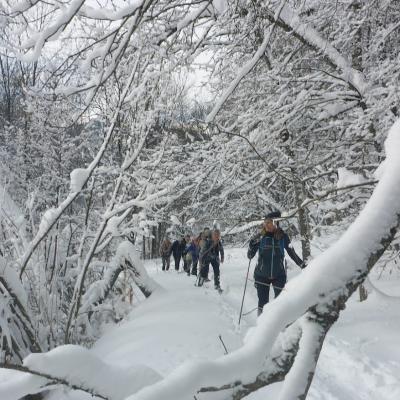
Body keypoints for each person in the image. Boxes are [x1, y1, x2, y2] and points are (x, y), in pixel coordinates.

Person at [248, 211, 305, 316]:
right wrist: (251, 245)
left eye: (269, 222)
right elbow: (250, 256)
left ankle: (280, 325)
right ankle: (261, 325)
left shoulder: (282, 236)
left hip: (279, 275)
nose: (266, 225)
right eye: (265, 222)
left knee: (280, 302)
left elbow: (291, 252)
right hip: (261, 275)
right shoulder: (261, 237)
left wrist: (302, 265)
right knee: (263, 303)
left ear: (275, 223)